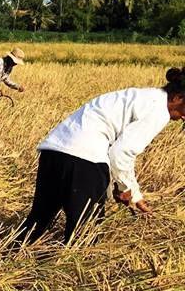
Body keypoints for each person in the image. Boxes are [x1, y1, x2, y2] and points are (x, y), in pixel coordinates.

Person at [18, 67, 185, 244]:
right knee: (84, 238)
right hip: (83, 158)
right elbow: (121, 153)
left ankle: (9, 259)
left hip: (54, 151)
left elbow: (112, 150)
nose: (184, 118)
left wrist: (133, 194)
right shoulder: (158, 111)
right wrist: (125, 188)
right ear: (177, 97)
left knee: (37, 221)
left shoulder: (141, 96)